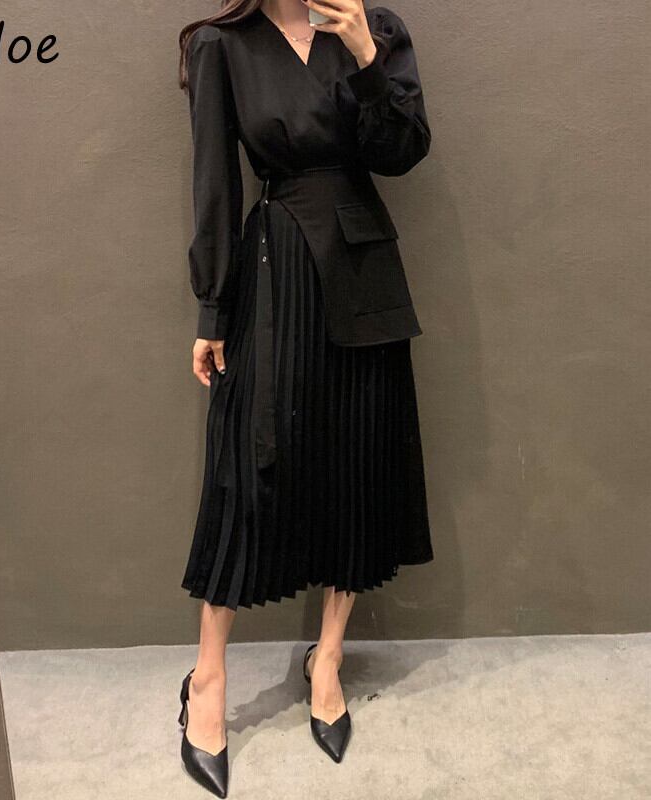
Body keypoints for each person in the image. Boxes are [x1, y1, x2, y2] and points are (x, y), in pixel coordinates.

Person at [176, 1, 434, 795]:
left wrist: (364, 56)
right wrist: (213, 309)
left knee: (356, 463)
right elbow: (214, 180)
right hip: (277, 266)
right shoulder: (223, 45)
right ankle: (208, 677)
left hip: (365, 272)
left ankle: (328, 658)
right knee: (248, 470)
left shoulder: (373, 28)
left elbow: (402, 152)